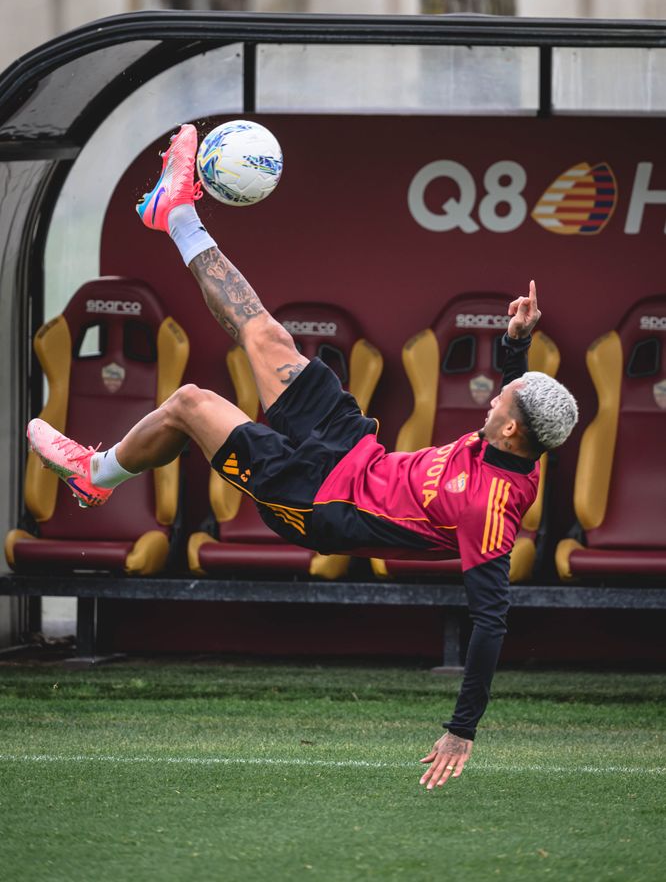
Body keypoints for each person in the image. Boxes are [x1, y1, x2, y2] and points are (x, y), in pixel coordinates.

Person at [27, 124, 579, 790]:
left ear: (511, 429)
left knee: (191, 404)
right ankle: (175, 215)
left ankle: (96, 474)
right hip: (354, 449)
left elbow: (491, 621)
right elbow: (519, 408)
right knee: (265, 332)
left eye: (502, 397)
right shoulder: (515, 445)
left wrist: (462, 727)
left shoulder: (491, 508)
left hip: (318, 503)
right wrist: (516, 345)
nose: (490, 395)